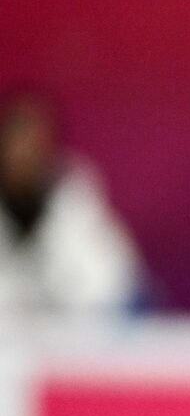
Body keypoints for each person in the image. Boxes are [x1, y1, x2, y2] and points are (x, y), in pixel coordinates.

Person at [0, 92, 144, 320]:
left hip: (77, 338)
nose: (22, 155)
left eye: (32, 143)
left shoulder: (76, 201)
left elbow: (111, 284)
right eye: (14, 142)